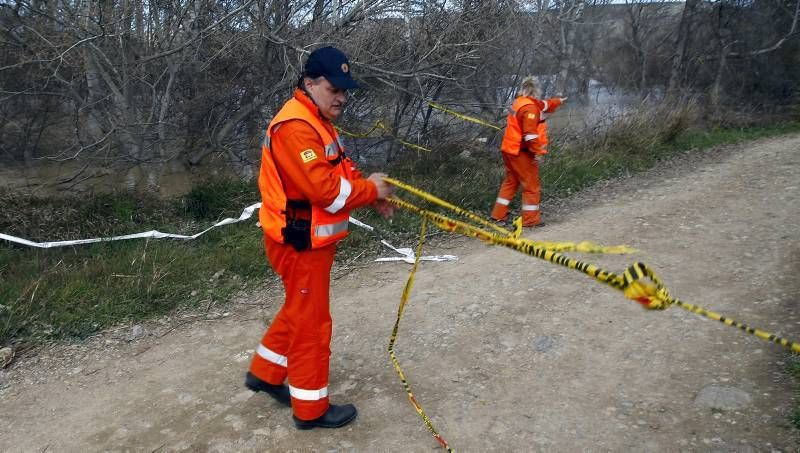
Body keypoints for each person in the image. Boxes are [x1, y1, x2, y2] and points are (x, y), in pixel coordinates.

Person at [245, 46, 393, 430]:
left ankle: (265, 372)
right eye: (334, 89)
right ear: (309, 84)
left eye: (345, 90)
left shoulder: (316, 121)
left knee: (299, 308)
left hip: (308, 241)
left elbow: (340, 168)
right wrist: (370, 192)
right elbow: (325, 190)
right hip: (299, 242)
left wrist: (370, 193)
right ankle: (310, 411)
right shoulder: (295, 127)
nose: (342, 97)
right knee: (312, 325)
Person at [490, 76, 566, 227]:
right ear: (536, 91)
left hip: (509, 150)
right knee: (531, 186)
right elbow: (530, 135)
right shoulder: (530, 109)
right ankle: (531, 220)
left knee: (511, 181)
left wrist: (557, 102)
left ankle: (498, 215)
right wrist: (537, 152)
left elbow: (543, 105)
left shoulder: (520, 102)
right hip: (522, 152)